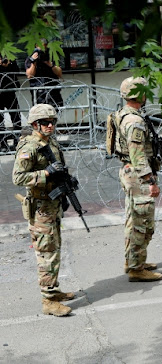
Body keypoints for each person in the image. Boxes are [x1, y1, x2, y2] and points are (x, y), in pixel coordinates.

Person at [12, 104, 75, 316]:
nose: (50, 126)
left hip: (52, 204)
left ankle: (54, 290)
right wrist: (45, 174)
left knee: (54, 249)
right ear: (34, 124)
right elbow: (18, 178)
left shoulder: (51, 142)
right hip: (40, 208)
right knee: (46, 253)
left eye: (53, 122)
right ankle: (48, 301)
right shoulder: (29, 147)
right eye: (45, 123)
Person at [116, 77, 162, 282]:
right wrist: (150, 181)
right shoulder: (134, 121)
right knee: (141, 222)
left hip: (130, 172)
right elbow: (138, 155)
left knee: (133, 219)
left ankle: (133, 260)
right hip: (138, 176)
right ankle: (136, 268)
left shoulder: (125, 114)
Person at [25, 40, 63, 108]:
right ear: (36, 46)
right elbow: (29, 75)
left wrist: (50, 64)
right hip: (38, 93)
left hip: (53, 91)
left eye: (44, 47)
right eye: (41, 47)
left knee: (53, 115)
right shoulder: (31, 57)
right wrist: (34, 62)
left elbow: (59, 73)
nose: (43, 50)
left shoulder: (51, 56)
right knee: (40, 115)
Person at [0, 56, 21, 151]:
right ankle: (2, 143)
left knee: (16, 116)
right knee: (0, 120)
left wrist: (9, 64)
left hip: (10, 91)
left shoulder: (9, 56)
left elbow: (17, 71)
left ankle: (18, 141)